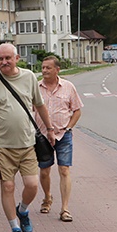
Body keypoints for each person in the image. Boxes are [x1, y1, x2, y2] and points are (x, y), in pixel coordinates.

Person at [0, 43, 55, 232]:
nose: (4, 62)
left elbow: (39, 105)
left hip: (27, 143)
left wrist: (50, 129)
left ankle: (23, 210)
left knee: (32, 184)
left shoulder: (28, 77)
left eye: (8, 58)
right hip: (1, 145)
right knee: (8, 186)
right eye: (0, 59)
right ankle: (14, 228)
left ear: (16, 58)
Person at [35, 54, 84, 222]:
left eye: (48, 68)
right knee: (44, 170)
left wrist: (69, 127)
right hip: (42, 136)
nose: (44, 71)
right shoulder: (36, 87)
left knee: (64, 169)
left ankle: (65, 208)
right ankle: (47, 197)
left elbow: (77, 110)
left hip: (63, 134)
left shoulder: (68, 87)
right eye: (43, 67)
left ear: (57, 70)